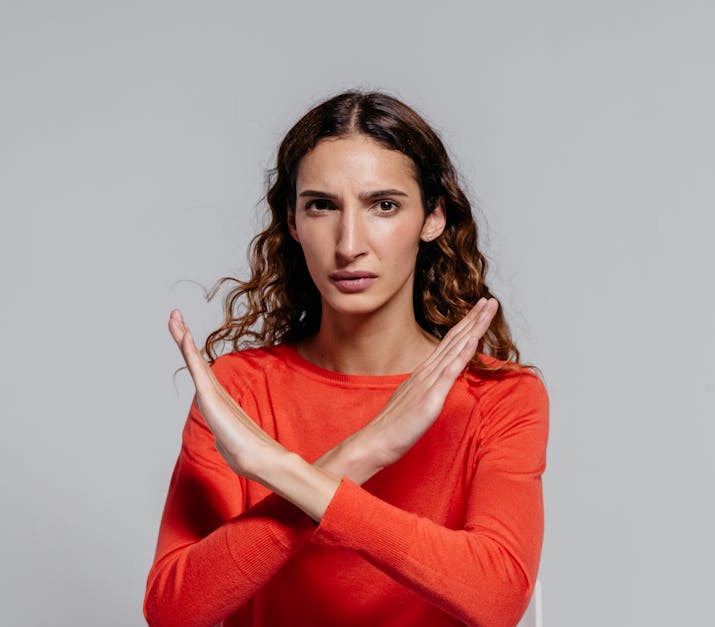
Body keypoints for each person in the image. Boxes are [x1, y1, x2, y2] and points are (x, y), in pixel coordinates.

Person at [144, 91, 549, 627]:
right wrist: (362, 453)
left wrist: (282, 472)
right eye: (322, 205)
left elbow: (497, 600)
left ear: (433, 217)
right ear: (291, 221)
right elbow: (175, 609)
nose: (348, 243)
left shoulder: (499, 397)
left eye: (384, 205)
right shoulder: (240, 390)